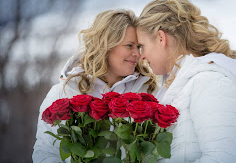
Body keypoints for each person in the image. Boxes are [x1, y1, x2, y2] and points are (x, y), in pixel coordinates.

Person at [33, 9, 156, 162]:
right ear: (106, 45)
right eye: (129, 45)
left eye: (138, 47)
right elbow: (45, 152)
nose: (137, 54)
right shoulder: (65, 91)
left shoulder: (148, 91)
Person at [136, 0, 236, 163]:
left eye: (141, 46)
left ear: (161, 38)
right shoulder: (178, 83)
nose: (141, 56)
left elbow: (220, 160)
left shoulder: (212, 82)